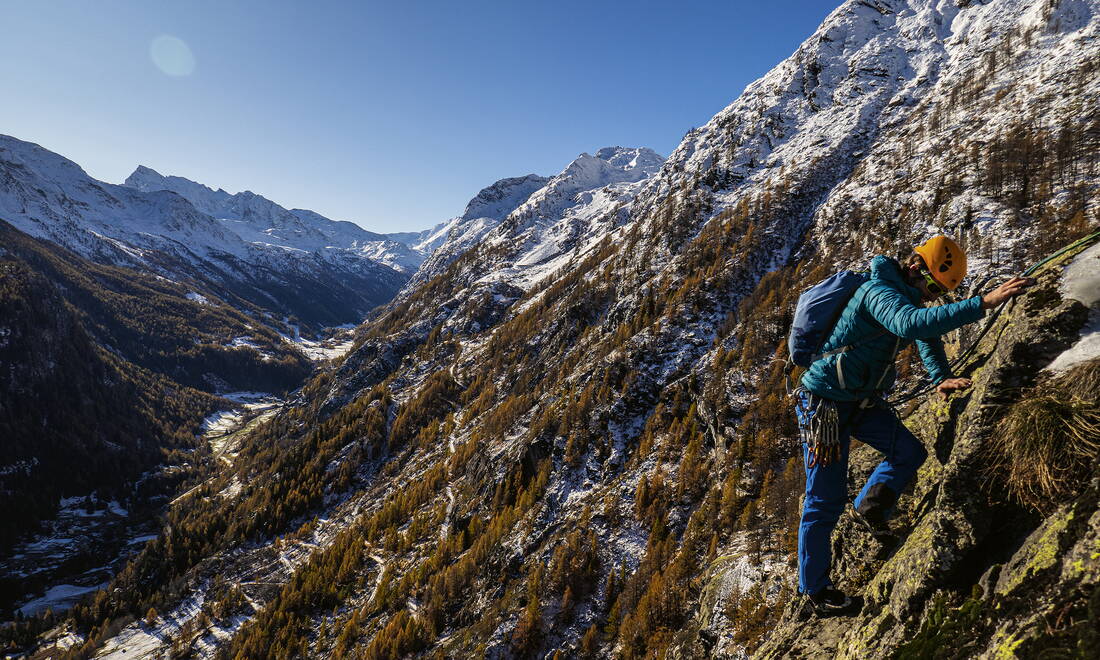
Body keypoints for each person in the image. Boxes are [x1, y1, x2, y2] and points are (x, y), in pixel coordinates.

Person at [793, 235, 1034, 614]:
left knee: (908, 452)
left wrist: (940, 376)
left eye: (938, 292)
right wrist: (983, 303)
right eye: (933, 286)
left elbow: (925, 334)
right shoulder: (879, 292)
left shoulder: (903, 293)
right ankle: (814, 593)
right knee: (824, 499)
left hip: (858, 399)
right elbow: (909, 323)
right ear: (917, 267)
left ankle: (869, 509)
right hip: (823, 403)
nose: (931, 296)